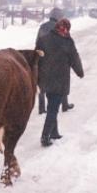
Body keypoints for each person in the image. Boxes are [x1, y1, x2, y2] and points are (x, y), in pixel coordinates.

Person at [36, 18, 84, 147]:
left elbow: (37, 57)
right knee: (53, 109)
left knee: (52, 105)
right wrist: (80, 72)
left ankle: (54, 133)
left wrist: (37, 75)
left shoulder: (44, 39)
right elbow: (74, 58)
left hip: (46, 79)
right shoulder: (67, 42)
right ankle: (45, 136)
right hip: (59, 80)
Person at [36, 8, 74, 113]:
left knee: (42, 83)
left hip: (44, 59)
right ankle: (64, 105)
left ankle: (42, 108)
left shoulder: (42, 27)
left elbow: (38, 44)